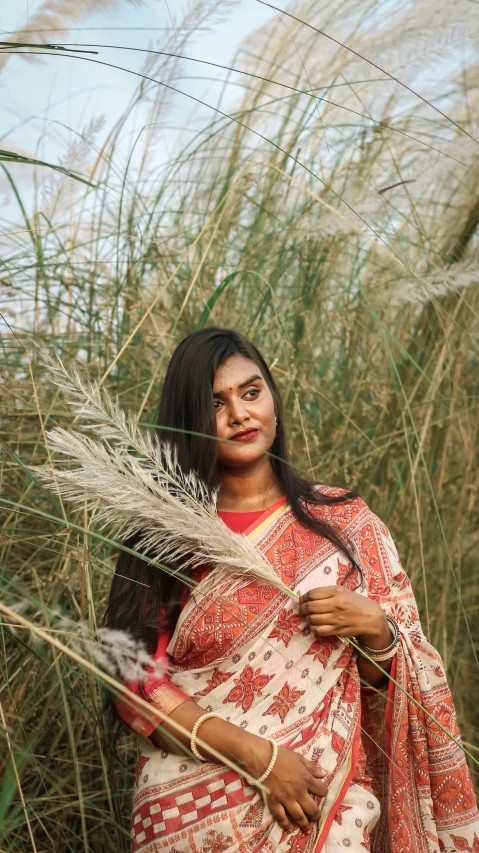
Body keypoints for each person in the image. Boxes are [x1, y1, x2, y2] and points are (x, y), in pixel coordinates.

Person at [104, 327, 479, 853]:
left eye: (251, 392)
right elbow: (134, 683)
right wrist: (261, 758)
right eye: (216, 403)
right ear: (189, 420)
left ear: (274, 400)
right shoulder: (164, 535)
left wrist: (374, 628)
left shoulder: (346, 524)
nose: (240, 414)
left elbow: (378, 690)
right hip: (193, 810)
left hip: (324, 803)